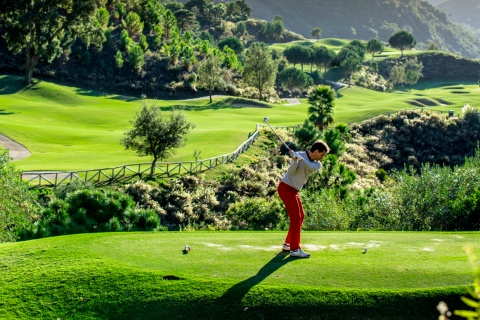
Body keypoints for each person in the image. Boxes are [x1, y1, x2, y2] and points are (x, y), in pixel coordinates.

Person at [278, 140, 330, 258]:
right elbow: (291, 173)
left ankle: (288, 244)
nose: (322, 158)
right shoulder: (299, 155)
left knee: (301, 216)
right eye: (322, 154)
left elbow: (310, 166)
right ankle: (295, 249)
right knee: (296, 218)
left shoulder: (316, 164)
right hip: (286, 188)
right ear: (316, 151)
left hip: (294, 190)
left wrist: (299, 158)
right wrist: (295, 161)